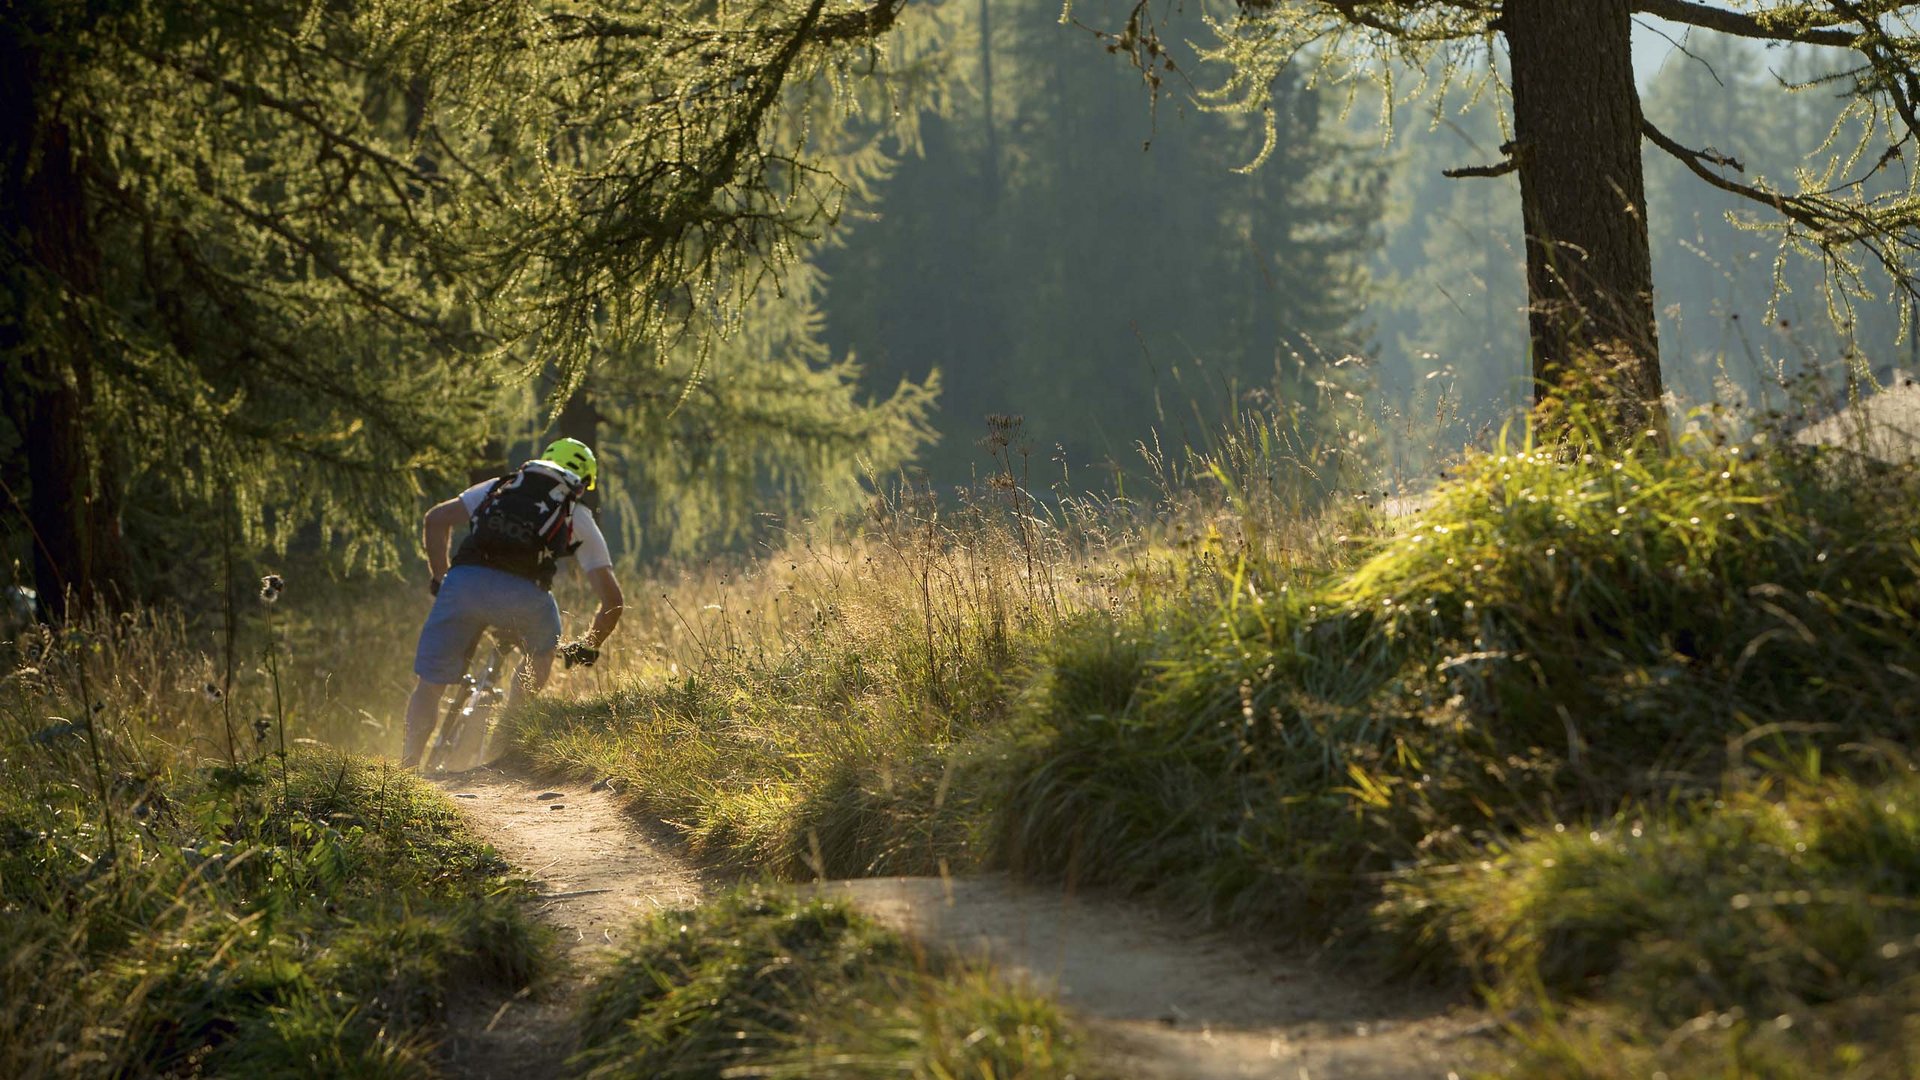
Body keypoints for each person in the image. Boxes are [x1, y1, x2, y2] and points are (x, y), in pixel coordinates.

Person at [400, 438, 624, 769]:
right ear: (583, 481)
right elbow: (613, 602)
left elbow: (436, 519)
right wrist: (589, 645)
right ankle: (506, 742)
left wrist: (441, 579)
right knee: (541, 652)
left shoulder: (503, 485)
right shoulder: (577, 514)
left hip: (464, 584)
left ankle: (407, 766)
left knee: (430, 685)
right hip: (526, 598)